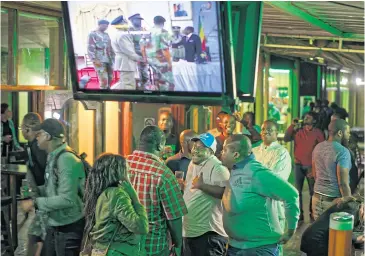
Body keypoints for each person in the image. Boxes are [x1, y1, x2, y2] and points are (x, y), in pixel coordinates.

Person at [220, 134, 300, 256]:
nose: (221, 153)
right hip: (237, 246)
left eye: (225, 150)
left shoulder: (255, 172)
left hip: (259, 249)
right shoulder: (236, 169)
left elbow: (291, 194)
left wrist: (290, 230)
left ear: (236, 155)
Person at [20, 119, 85, 255]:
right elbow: (53, 188)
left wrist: (35, 202)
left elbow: (67, 199)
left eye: (39, 135)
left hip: (69, 228)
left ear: (48, 136)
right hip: (56, 224)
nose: (36, 138)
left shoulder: (66, 159)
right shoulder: (53, 156)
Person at [127, 126, 187, 256]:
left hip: (123, 245)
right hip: (152, 247)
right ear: (160, 145)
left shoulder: (122, 165)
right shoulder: (164, 174)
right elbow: (174, 217)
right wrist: (178, 245)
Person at [83, 153, 148, 255]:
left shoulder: (102, 193)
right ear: (118, 172)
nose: (129, 174)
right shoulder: (117, 194)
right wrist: (135, 199)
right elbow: (141, 226)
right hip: (117, 251)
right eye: (126, 170)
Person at [182, 133, 230, 256]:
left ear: (211, 151)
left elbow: (228, 193)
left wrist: (203, 186)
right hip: (190, 232)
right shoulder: (193, 164)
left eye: (200, 148)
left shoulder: (218, 168)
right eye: (194, 146)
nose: (195, 150)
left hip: (209, 236)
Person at [252, 120, 292, 256]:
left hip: (273, 208)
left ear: (277, 132)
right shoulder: (254, 151)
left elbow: (275, 181)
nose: (265, 132)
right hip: (253, 209)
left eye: (270, 129)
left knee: (272, 248)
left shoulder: (282, 153)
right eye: (263, 129)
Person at [284, 111, 325, 223]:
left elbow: (321, 151)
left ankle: (313, 215)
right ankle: (299, 214)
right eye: (305, 117)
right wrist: (292, 125)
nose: (306, 118)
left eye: (309, 117)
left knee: (313, 191)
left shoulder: (318, 133)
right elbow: (286, 138)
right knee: (297, 191)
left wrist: (315, 167)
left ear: (314, 120)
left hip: (311, 166)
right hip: (298, 165)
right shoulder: (298, 131)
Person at [312, 119, 352, 220]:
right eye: (348, 132)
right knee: (334, 235)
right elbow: (343, 183)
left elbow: (315, 174)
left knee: (318, 234)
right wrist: (348, 202)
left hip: (316, 199)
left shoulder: (317, 147)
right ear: (340, 133)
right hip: (333, 202)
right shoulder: (343, 152)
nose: (349, 135)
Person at [20, 113, 48, 256]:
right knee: (35, 235)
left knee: (41, 236)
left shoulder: (38, 147)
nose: (21, 131)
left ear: (26, 129)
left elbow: (47, 175)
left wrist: (35, 200)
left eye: (21, 128)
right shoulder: (32, 146)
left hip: (47, 198)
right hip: (42, 197)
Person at [111, 15, 144, 90]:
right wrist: (140, 58)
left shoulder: (118, 33)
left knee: (124, 82)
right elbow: (129, 51)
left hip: (124, 62)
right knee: (128, 85)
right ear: (122, 24)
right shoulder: (123, 35)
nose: (127, 25)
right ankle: (128, 101)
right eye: (125, 23)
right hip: (126, 62)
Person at [142, 16, 174, 91]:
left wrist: (145, 58)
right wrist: (169, 63)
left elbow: (142, 47)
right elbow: (165, 49)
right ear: (162, 23)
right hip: (161, 61)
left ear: (154, 22)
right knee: (167, 82)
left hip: (150, 60)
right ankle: (167, 99)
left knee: (155, 79)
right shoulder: (163, 32)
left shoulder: (147, 32)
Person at [87, 19, 115, 89]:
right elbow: (90, 47)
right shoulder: (93, 34)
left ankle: (108, 93)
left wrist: (113, 57)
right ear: (99, 25)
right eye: (104, 26)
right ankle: (104, 95)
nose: (106, 28)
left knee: (110, 78)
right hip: (99, 59)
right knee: (104, 80)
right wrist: (94, 59)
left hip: (108, 59)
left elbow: (110, 46)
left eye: (107, 26)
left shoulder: (106, 34)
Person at [129, 13, 149, 89]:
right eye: (138, 20)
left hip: (143, 55)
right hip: (133, 55)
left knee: (144, 73)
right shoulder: (129, 30)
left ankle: (145, 87)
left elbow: (148, 41)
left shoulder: (143, 30)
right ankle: (136, 88)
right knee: (135, 74)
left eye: (140, 20)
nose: (140, 21)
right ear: (132, 21)